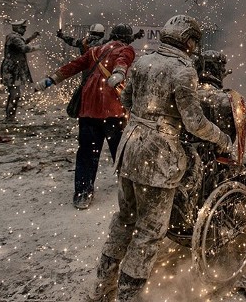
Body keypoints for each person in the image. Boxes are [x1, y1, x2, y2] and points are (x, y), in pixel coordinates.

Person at [88, 15, 232, 302]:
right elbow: (194, 122)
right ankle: (128, 297)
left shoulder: (142, 61)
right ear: (189, 41)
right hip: (159, 159)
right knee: (149, 231)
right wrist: (222, 139)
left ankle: (102, 289)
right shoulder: (183, 70)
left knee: (124, 220)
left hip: (129, 151)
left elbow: (126, 101)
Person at [169, 51, 246, 233]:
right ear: (219, 72)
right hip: (216, 170)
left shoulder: (182, 96)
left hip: (180, 164)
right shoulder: (228, 102)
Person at [35, 24, 137, 209]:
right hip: (112, 110)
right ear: (127, 38)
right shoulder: (126, 49)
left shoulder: (95, 51)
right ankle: (128, 190)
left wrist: (50, 80)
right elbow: (124, 59)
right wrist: (119, 73)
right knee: (121, 153)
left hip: (88, 109)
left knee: (87, 153)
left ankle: (82, 193)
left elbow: (73, 66)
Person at [0, 19, 39, 122]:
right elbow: (24, 48)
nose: (25, 30)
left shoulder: (13, 37)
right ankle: (10, 118)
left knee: (13, 93)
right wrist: (37, 47)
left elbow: (23, 42)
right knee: (15, 94)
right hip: (12, 70)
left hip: (14, 69)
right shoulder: (14, 37)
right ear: (18, 28)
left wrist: (32, 37)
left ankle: (10, 117)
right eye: (23, 28)